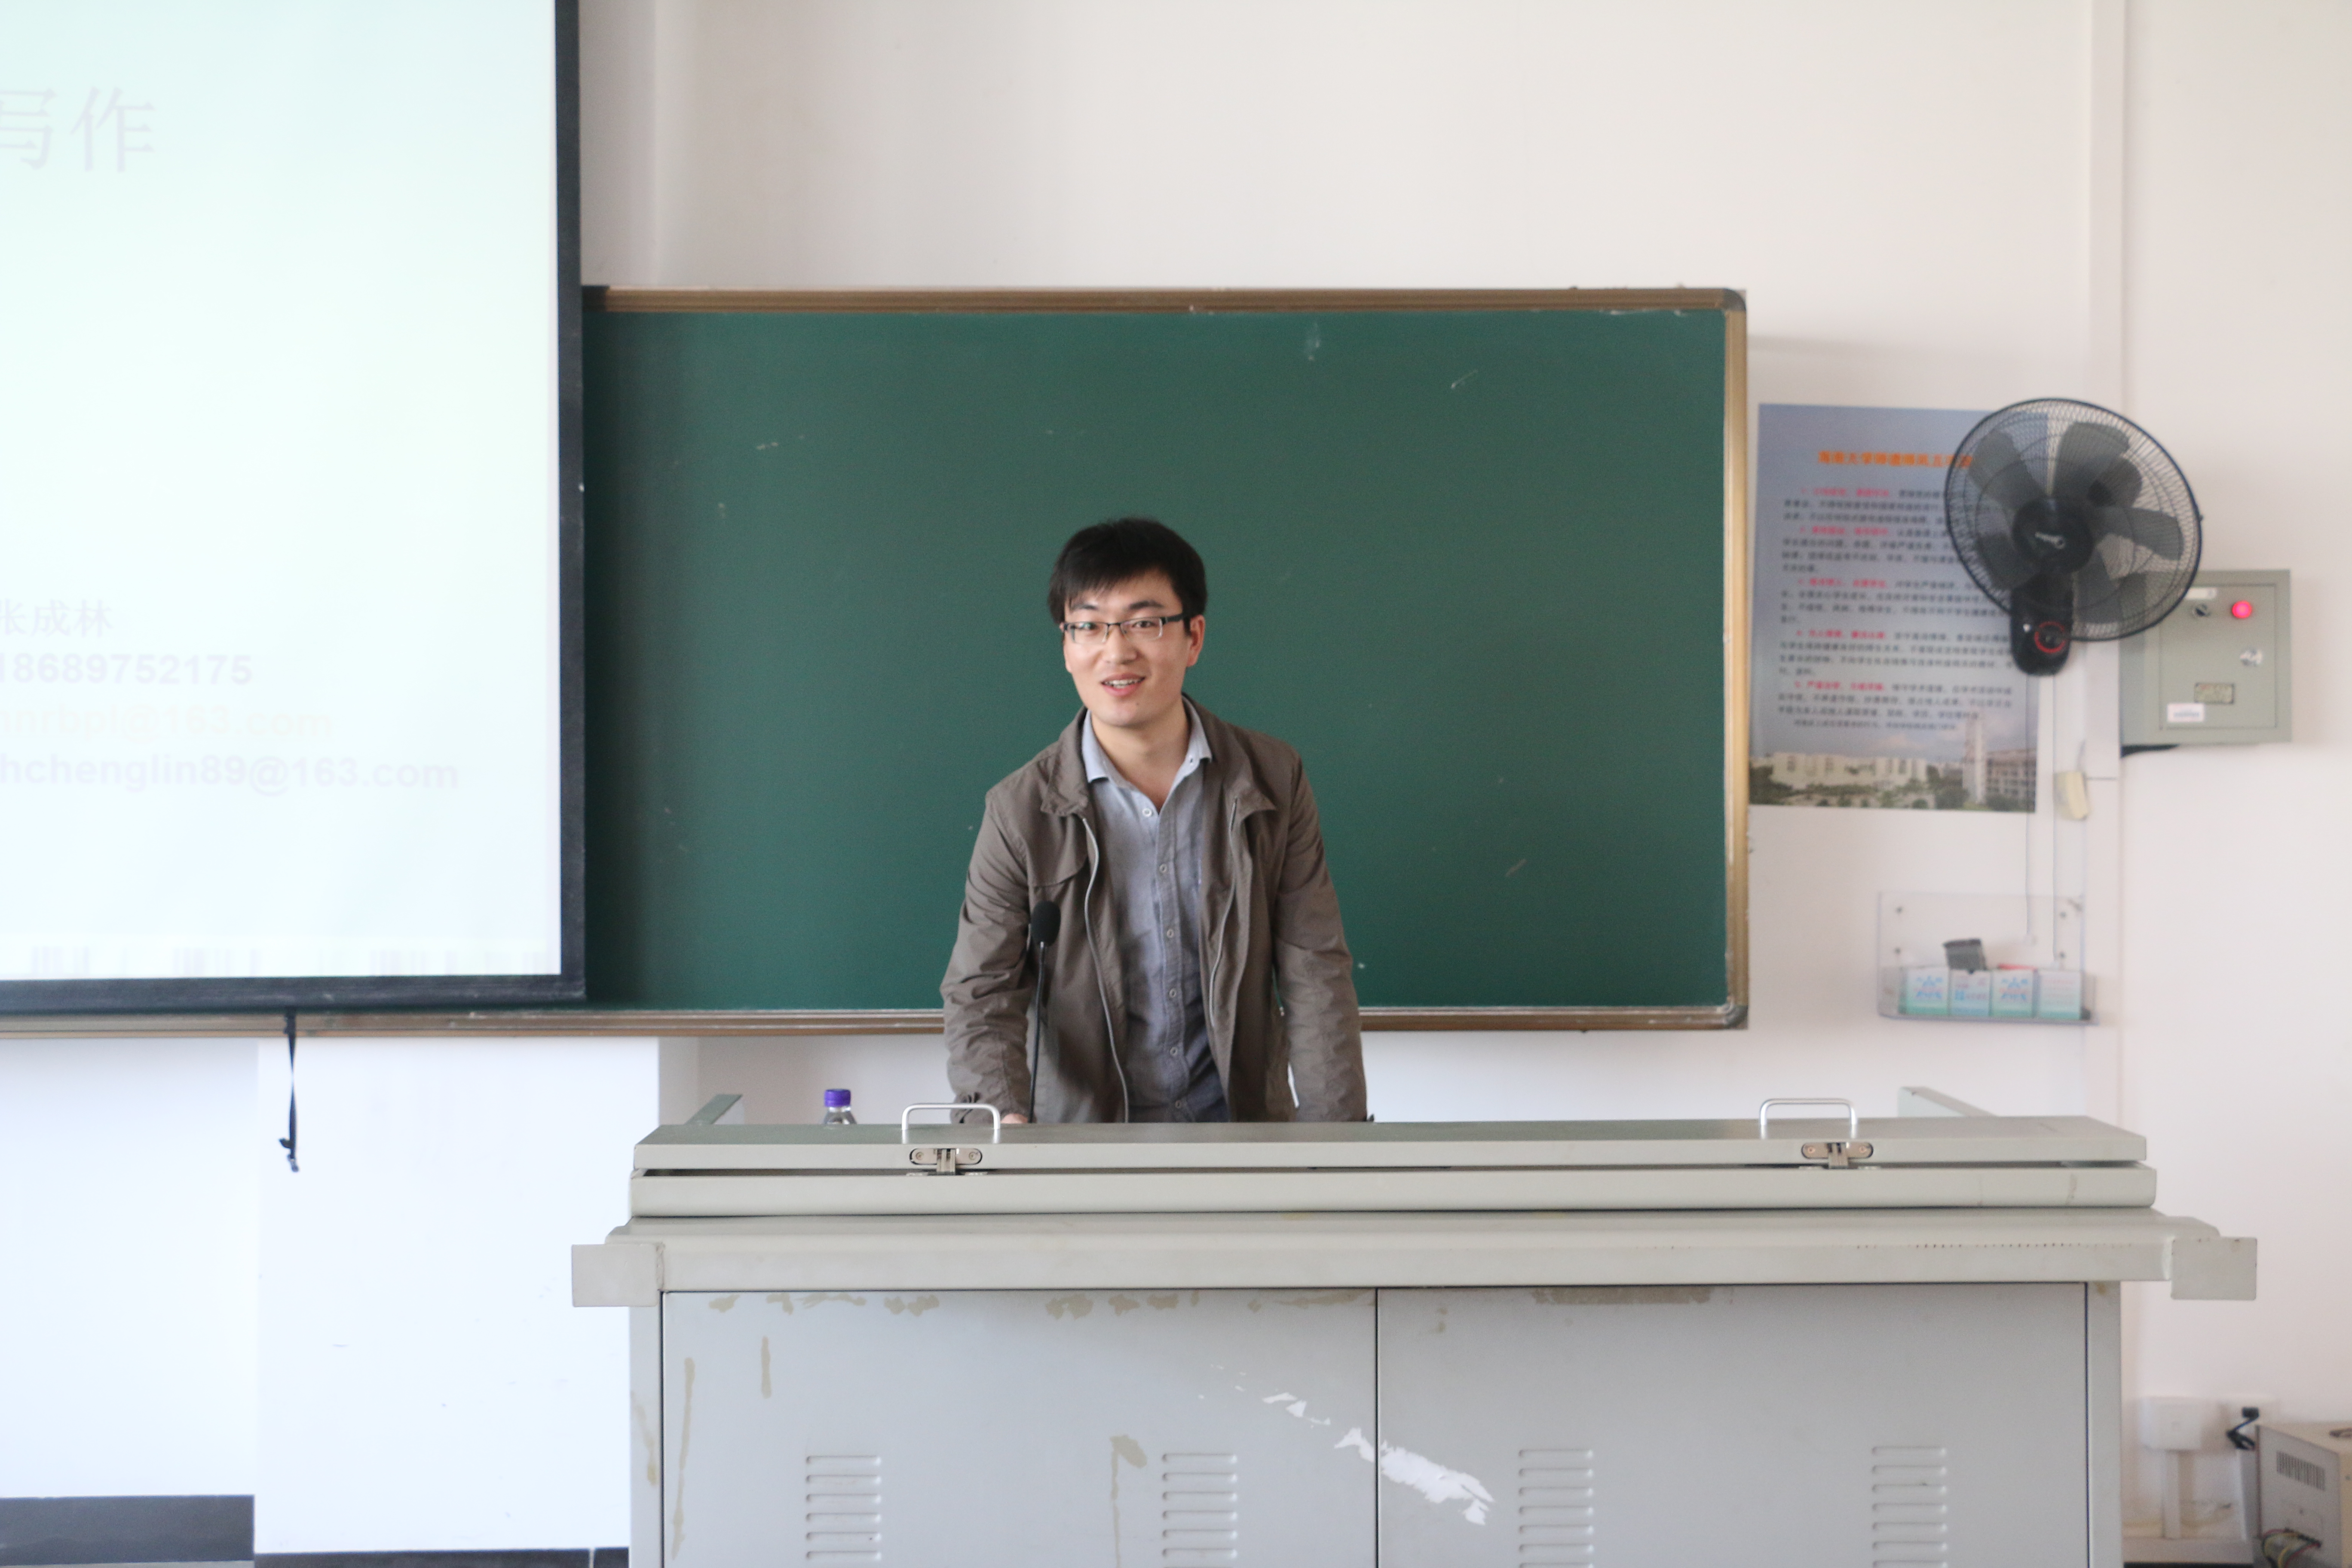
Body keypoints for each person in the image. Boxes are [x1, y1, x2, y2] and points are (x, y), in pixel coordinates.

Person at [941, 517, 1367, 1124]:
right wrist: (998, 1121)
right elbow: (982, 994)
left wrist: (1335, 1142)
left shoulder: (1272, 779)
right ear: (1067, 647)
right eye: (1089, 625)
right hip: (1084, 1144)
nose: (1117, 651)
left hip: (1241, 1132)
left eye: (1145, 623)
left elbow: (1314, 968)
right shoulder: (1020, 810)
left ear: (1193, 637)